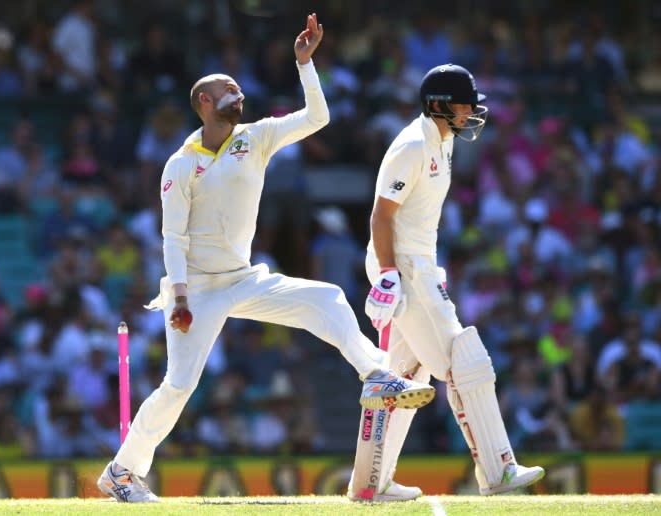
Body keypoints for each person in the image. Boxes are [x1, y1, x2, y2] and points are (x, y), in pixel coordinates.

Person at [96, 14, 435, 503]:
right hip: (197, 289)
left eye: (239, 88)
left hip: (244, 278)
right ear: (204, 103)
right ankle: (122, 473)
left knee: (327, 297)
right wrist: (181, 297)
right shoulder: (181, 163)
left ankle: (375, 375)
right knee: (179, 385)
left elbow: (316, 118)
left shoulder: (254, 138)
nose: (239, 94)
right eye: (228, 89)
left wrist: (305, 64)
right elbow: (172, 237)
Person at [350, 63, 545, 501]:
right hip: (403, 268)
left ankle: (369, 484)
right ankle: (498, 471)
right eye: (463, 104)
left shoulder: (444, 141)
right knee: (464, 359)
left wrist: (425, 265)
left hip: (418, 265)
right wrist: (387, 275)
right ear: (438, 105)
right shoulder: (413, 144)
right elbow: (382, 214)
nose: (470, 112)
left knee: (401, 376)